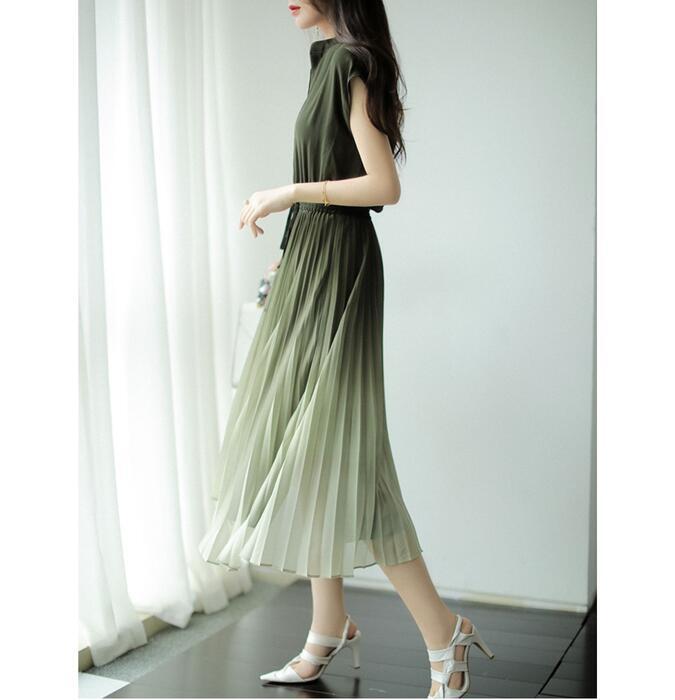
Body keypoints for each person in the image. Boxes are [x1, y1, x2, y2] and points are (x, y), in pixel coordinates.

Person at [198, 1, 496, 697]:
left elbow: (383, 186)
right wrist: (287, 251)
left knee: (344, 450)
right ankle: (328, 626)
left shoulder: (347, 64)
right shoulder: (325, 62)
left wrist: (286, 193)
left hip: (340, 270)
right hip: (311, 263)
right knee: (311, 449)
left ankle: (442, 633)